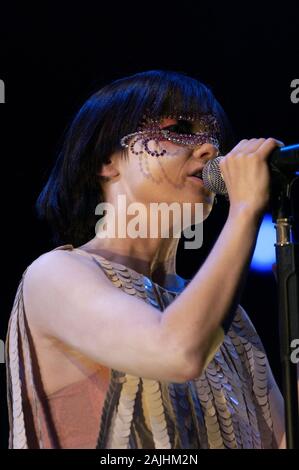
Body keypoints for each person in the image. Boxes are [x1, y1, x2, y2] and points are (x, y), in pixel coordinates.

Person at [5, 70, 286, 449]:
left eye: (212, 135)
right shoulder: (56, 274)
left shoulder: (230, 318)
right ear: (107, 159)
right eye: (181, 127)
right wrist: (247, 207)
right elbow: (176, 352)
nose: (209, 150)